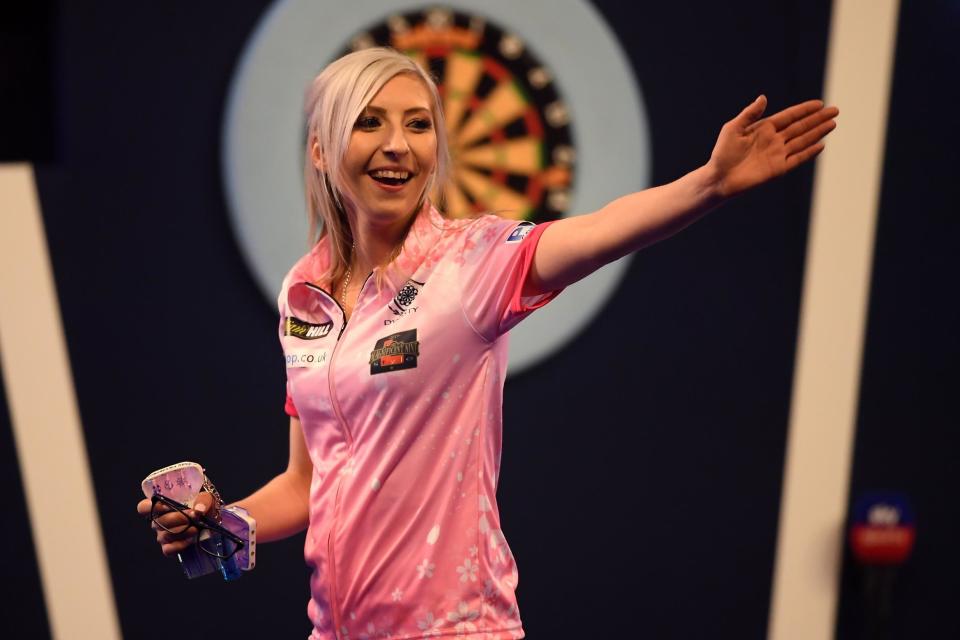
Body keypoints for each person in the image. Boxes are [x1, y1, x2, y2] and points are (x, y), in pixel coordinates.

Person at [138, 47, 838, 639]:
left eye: (418, 125)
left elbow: (597, 231)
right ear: (321, 149)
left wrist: (708, 184)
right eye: (370, 123)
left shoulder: (470, 262)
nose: (397, 145)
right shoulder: (303, 291)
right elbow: (308, 482)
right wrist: (221, 522)